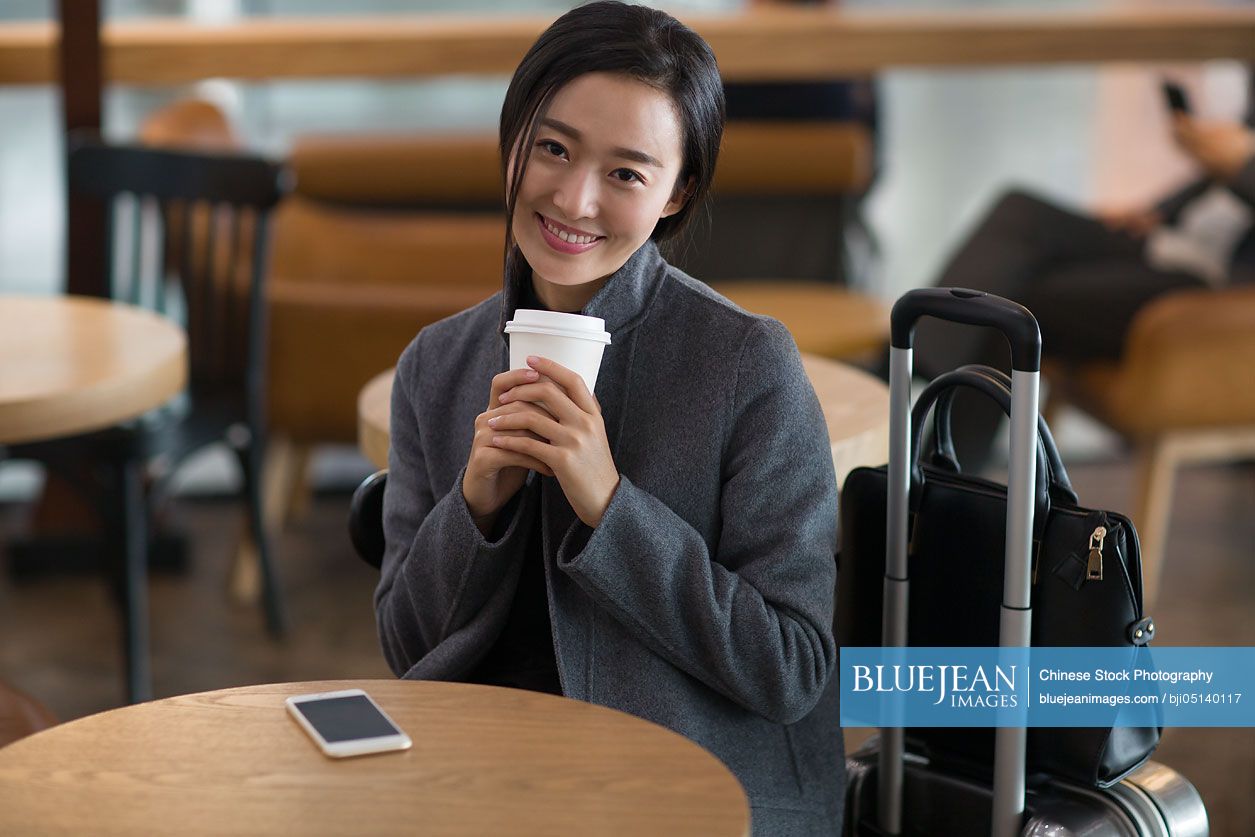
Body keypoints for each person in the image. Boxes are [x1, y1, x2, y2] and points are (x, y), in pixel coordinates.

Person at [374, 3, 844, 832]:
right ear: (511, 138)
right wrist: (476, 504)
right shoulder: (437, 364)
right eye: (552, 148)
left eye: (626, 172)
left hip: (681, 788)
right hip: (478, 780)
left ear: (677, 192)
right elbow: (409, 647)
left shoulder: (745, 363)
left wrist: (610, 507)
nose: (574, 198)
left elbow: (791, 666)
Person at [916, 106, 1255, 470]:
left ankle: (931, 446)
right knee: (1020, 213)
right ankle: (918, 372)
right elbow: (1216, 185)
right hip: (1169, 242)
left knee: (1010, 305)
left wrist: (1243, 165)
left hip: (1213, 285)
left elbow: (1239, 170)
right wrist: (1159, 210)